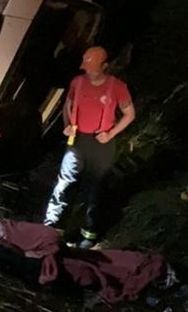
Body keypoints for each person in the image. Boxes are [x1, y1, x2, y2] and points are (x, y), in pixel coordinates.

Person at [42, 45, 136, 247]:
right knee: (65, 183)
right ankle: (52, 228)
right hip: (77, 140)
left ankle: (89, 235)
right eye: (87, 66)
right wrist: (67, 125)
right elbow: (67, 104)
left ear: (105, 66)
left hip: (101, 143)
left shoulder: (116, 87)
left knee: (95, 190)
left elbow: (130, 114)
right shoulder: (77, 82)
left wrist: (110, 133)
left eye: (93, 66)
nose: (88, 71)